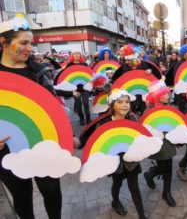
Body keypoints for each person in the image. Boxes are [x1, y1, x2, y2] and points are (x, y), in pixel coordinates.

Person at [0, 15, 62, 219]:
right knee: (22, 197)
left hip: (42, 144)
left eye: (31, 43)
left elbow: (54, 108)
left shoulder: (39, 73)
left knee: (52, 192)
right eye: (23, 43)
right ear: (3, 42)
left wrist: (63, 135)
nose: (29, 48)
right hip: (7, 150)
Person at [94, 90, 147, 219]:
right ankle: (115, 201)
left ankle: (142, 215)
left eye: (127, 102)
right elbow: (98, 144)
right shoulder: (104, 123)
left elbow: (140, 137)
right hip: (115, 163)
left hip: (131, 161)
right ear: (112, 105)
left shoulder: (133, 118)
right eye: (120, 102)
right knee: (117, 184)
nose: (125, 105)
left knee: (134, 187)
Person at [143, 81, 177, 207]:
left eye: (167, 93)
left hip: (169, 141)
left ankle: (166, 192)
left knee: (169, 166)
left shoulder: (169, 106)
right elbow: (146, 127)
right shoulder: (150, 109)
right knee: (164, 167)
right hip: (158, 143)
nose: (167, 96)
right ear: (156, 96)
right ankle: (149, 174)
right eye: (164, 94)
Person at [66, 51, 91, 125]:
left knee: (86, 104)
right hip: (75, 88)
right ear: (72, 56)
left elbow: (89, 74)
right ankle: (81, 118)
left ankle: (88, 118)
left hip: (85, 87)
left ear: (80, 55)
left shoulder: (84, 64)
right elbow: (66, 76)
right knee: (78, 104)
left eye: (78, 53)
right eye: (75, 54)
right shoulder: (69, 65)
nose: (76, 55)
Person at [173, 44, 187, 112]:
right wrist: (183, 90)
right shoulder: (180, 64)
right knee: (184, 109)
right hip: (183, 92)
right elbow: (177, 77)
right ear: (184, 53)